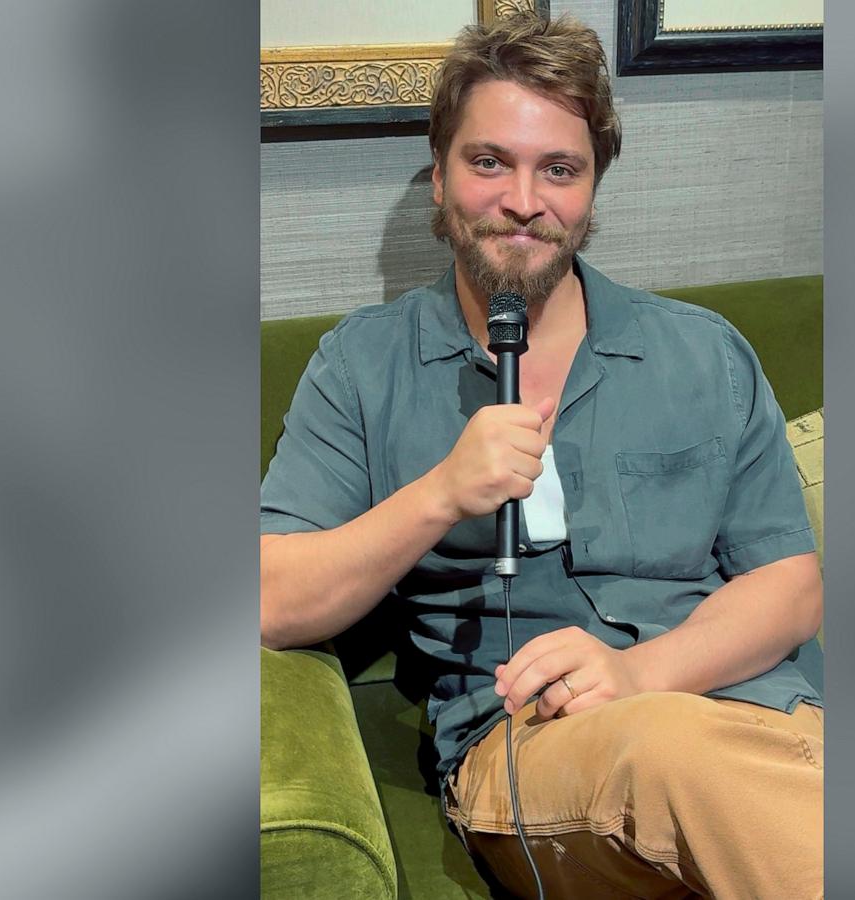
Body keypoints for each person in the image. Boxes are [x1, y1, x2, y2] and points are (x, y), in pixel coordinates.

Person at [260, 12, 823, 899]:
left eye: (559, 169)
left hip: (764, 718)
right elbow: (270, 600)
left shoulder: (700, 353)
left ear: (592, 190)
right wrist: (441, 494)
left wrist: (641, 673)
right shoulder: (364, 367)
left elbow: (789, 585)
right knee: (669, 753)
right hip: (536, 747)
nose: (525, 199)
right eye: (490, 162)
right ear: (439, 177)